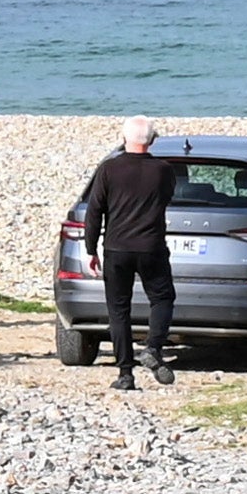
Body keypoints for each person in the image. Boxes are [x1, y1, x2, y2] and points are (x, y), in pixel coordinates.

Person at [73, 120, 179, 389]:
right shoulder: (163, 171)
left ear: (123, 137)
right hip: (151, 247)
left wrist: (89, 249)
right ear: (153, 139)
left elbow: (95, 211)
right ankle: (153, 347)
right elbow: (166, 198)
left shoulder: (109, 168)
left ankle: (125, 374)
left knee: (119, 309)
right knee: (163, 297)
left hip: (117, 248)